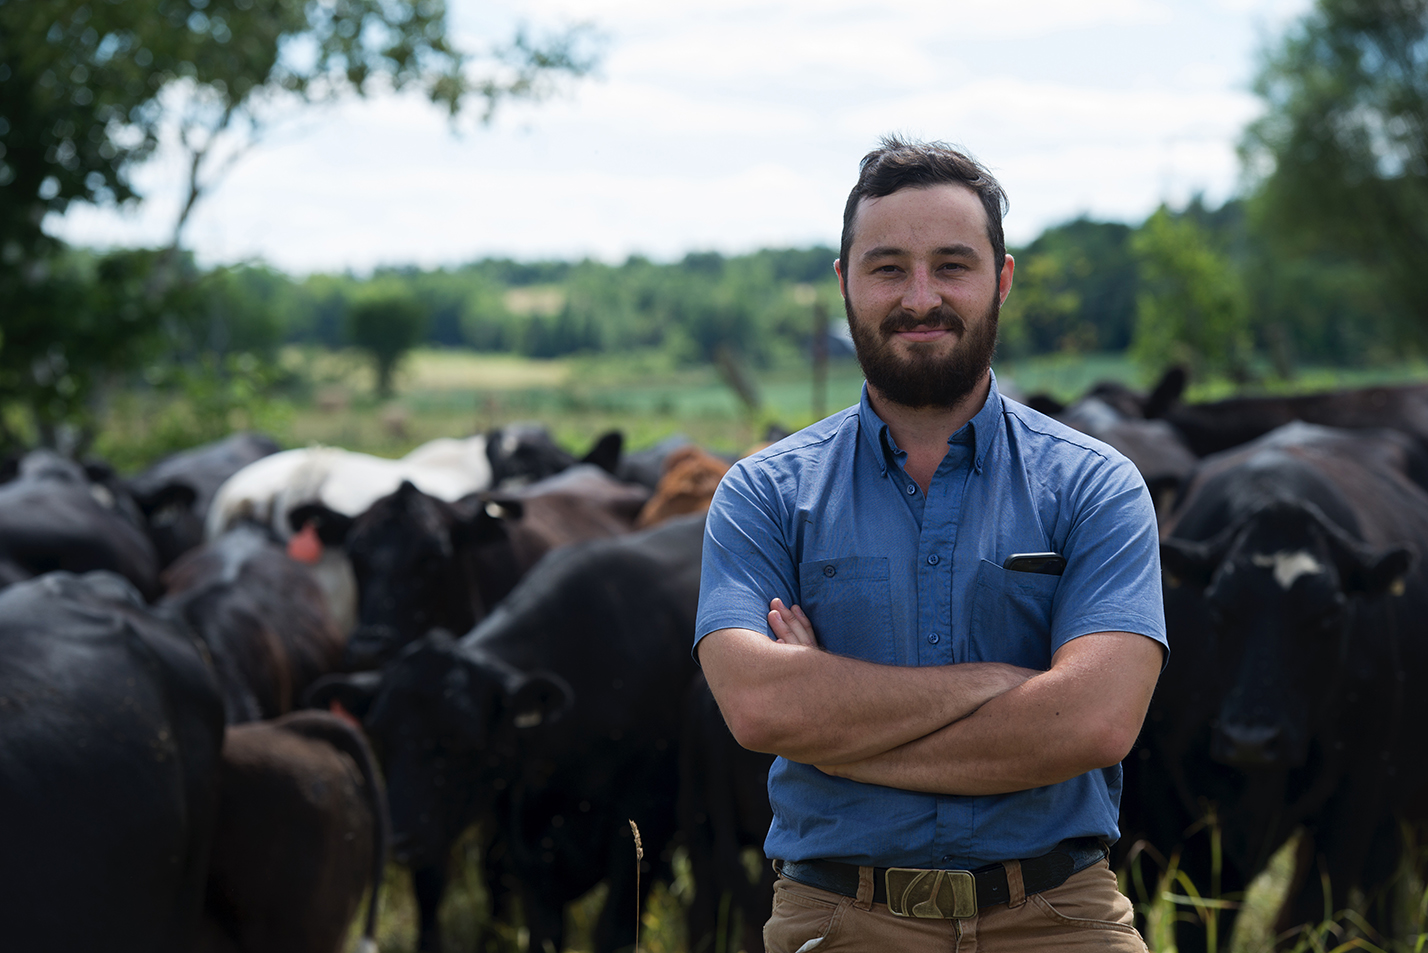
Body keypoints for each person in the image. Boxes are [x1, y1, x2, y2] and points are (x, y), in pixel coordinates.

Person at [693, 136, 1167, 951]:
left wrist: (836, 729)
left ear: (1001, 279)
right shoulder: (763, 493)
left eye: (952, 264)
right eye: (887, 268)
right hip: (838, 919)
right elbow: (761, 704)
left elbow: (1092, 722)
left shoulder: (1097, 484)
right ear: (844, 283)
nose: (921, 297)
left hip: (1060, 917)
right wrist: (1000, 685)